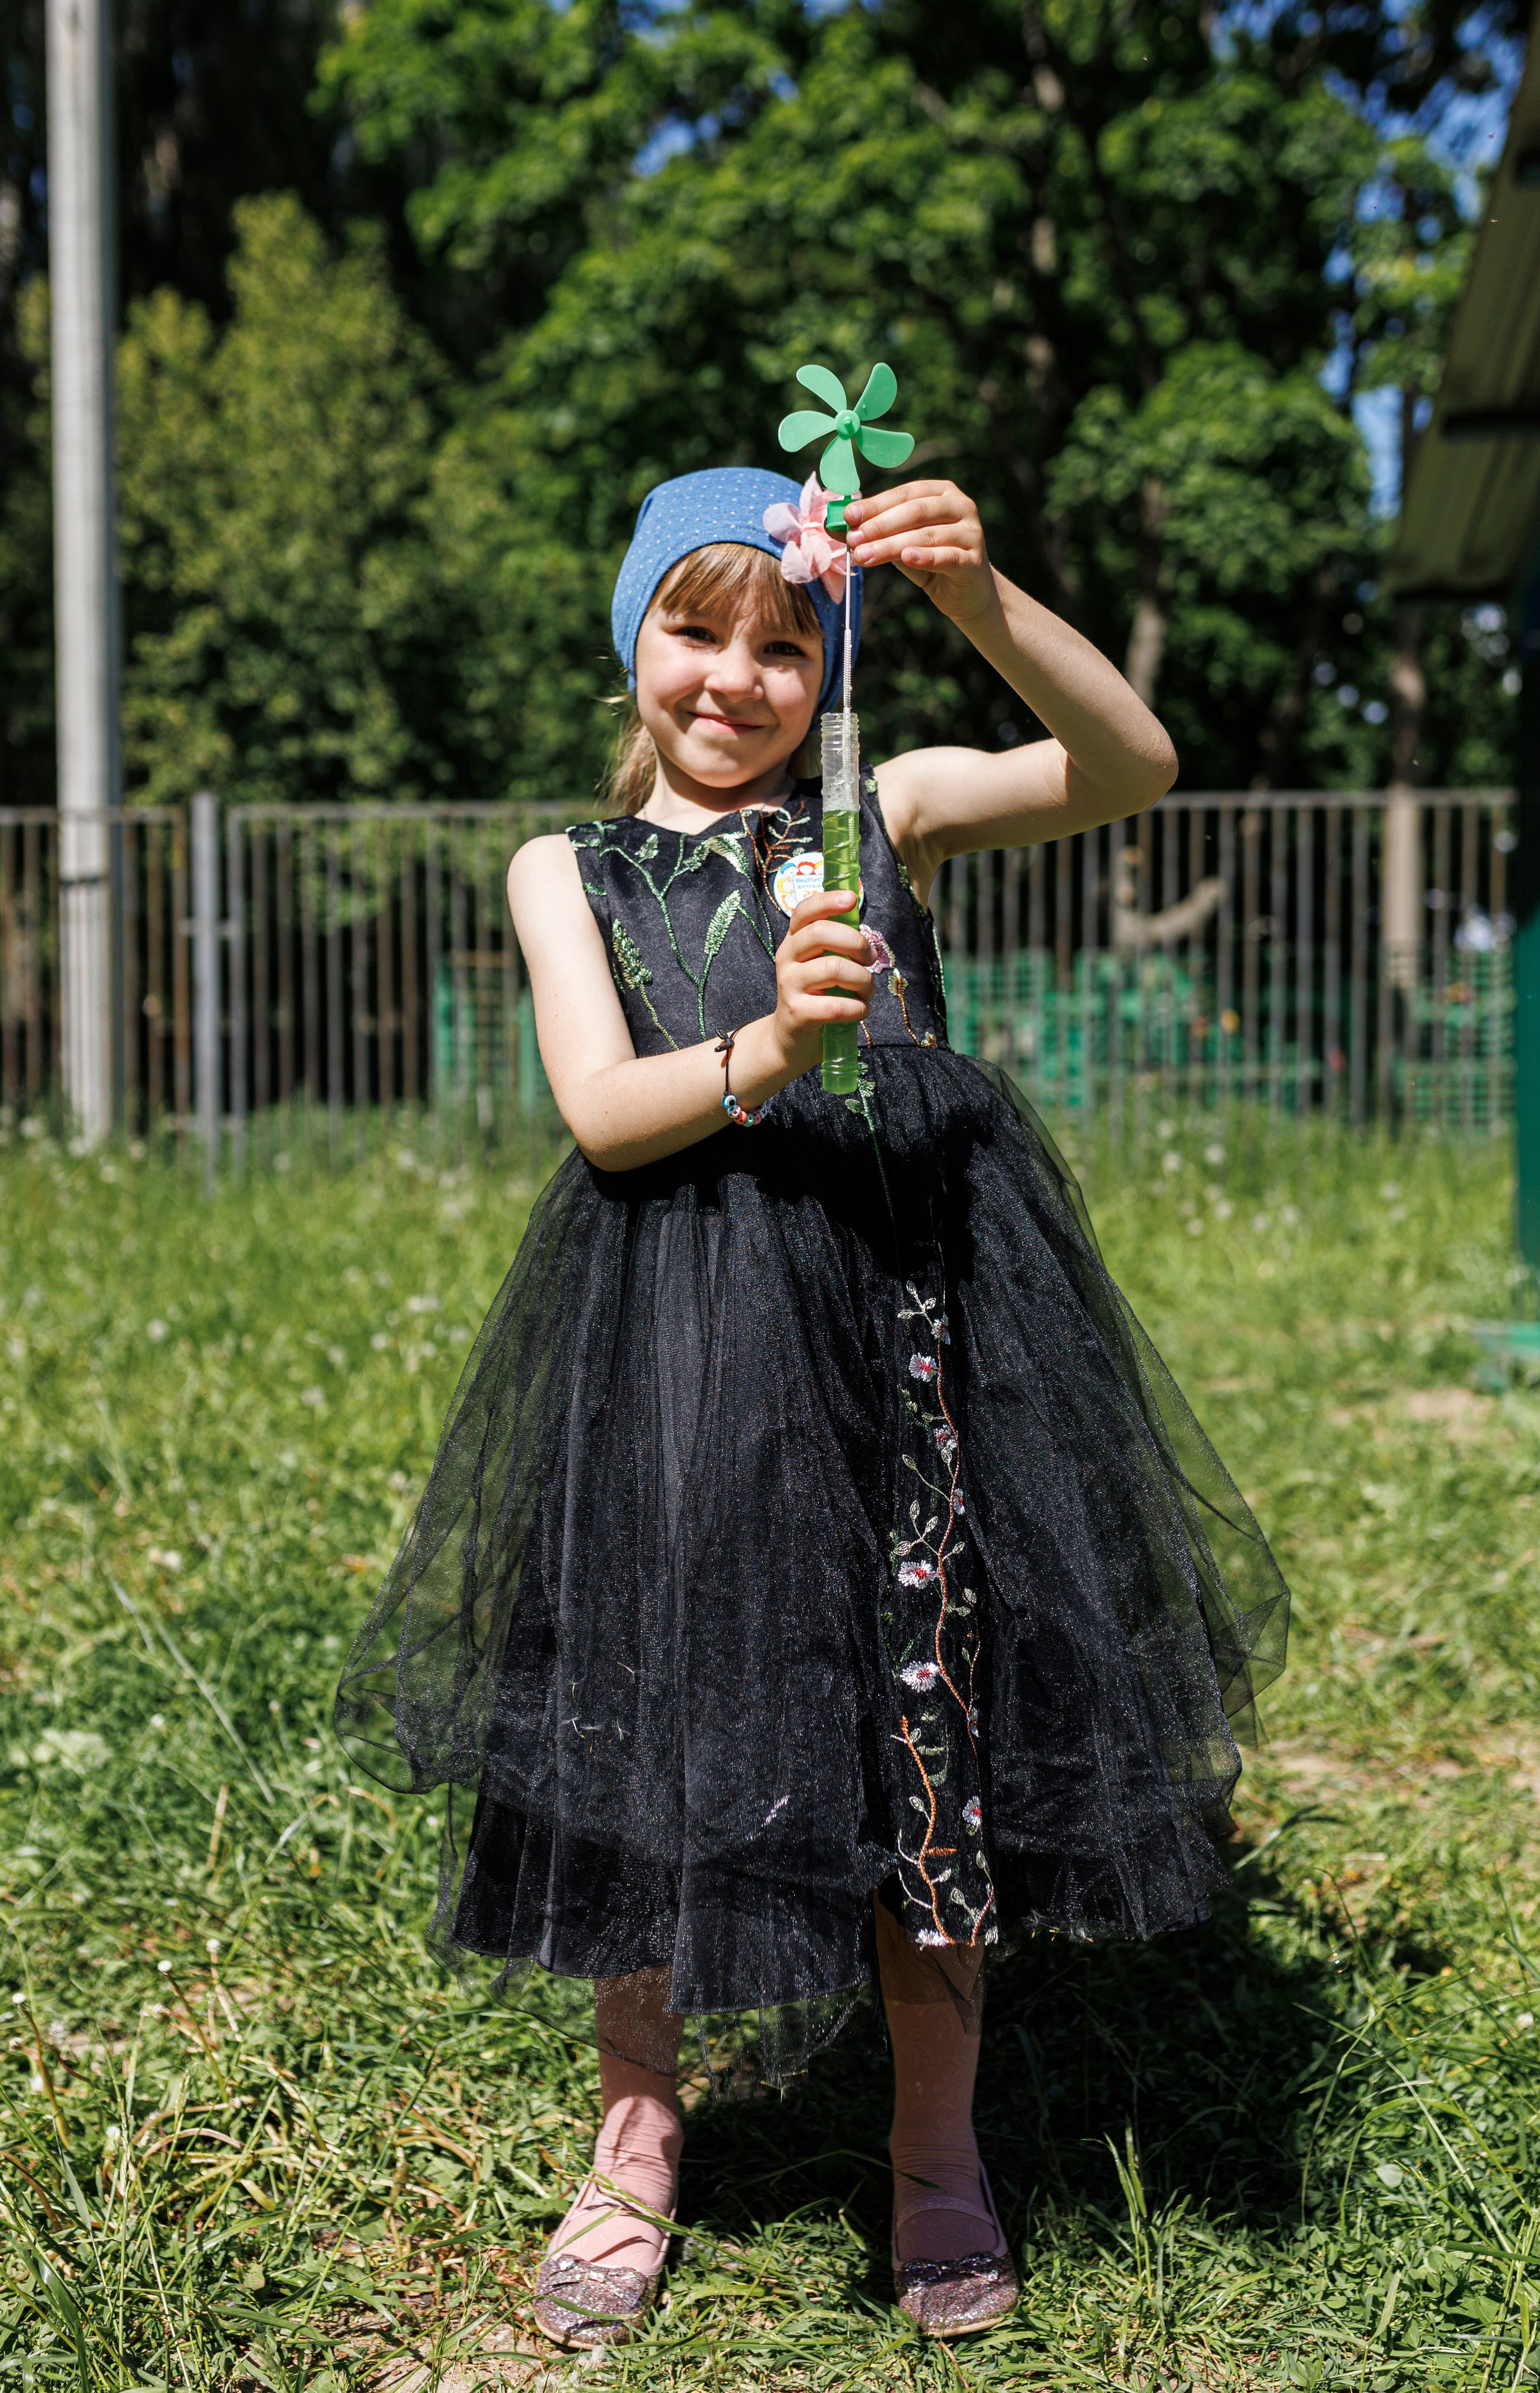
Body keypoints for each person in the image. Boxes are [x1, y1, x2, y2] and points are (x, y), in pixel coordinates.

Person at [336, 465, 1288, 2348]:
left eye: (788, 642)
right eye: (697, 630)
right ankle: (635, 2144)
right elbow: (607, 1114)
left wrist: (979, 594)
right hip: (675, 1349)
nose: (739, 678)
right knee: (660, 1723)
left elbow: (1129, 763)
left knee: (929, 1719)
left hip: (917, 1343)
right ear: (635, 644)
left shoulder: (886, 809)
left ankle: (936, 2150)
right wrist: (772, 1045)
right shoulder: (567, 872)